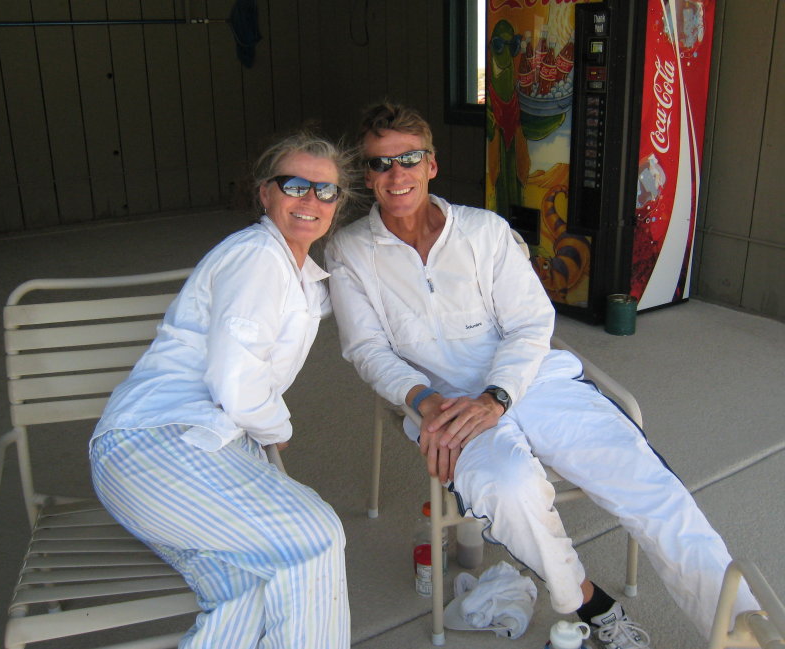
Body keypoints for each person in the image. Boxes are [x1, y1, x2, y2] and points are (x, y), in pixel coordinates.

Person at [325, 102, 758, 649]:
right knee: (510, 489)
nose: (397, 174)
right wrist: (423, 401)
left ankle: (745, 633)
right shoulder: (350, 252)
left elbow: (532, 323)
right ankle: (589, 600)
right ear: (367, 176)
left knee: (654, 496)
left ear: (431, 164)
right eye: (381, 163)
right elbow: (366, 349)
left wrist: (499, 396)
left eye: (409, 158)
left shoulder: (484, 232)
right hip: (445, 404)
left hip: (531, 383)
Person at [90, 131, 353, 649]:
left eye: (326, 192)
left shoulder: (298, 272)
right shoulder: (257, 255)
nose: (311, 201)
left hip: (185, 453)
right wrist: (278, 429)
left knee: (248, 592)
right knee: (315, 536)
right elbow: (237, 383)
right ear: (265, 193)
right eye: (295, 185)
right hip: (155, 445)